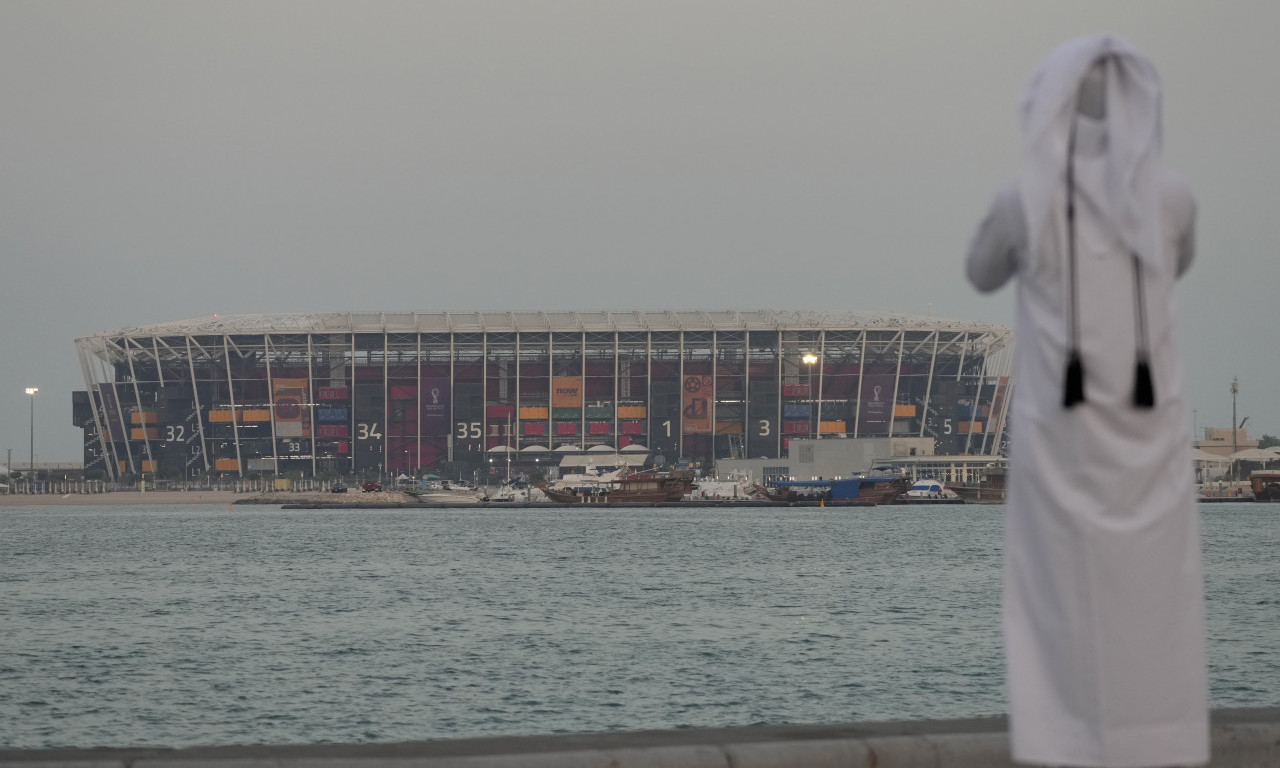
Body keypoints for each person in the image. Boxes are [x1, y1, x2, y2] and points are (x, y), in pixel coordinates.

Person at [966, 35, 1208, 767]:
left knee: (1058, 595)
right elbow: (1182, 260)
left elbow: (979, 272)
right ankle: (1162, 742)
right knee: (1155, 598)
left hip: (1060, 442)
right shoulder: (1171, 197)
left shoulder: (1025, 203)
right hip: (1149, 437)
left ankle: (1060, 741)